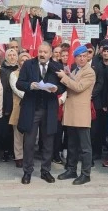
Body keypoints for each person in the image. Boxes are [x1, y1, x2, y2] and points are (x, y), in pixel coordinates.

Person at [16, 42, 65, 184]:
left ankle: (46, 171)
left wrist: (57, 89)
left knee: (48, 142)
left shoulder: (57, 67)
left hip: (49, 108)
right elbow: (20, 83)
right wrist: (29, 86)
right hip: (32, 108)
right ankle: (27, 172)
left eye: (45, 52)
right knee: (29, 142)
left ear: (50, 54)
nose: (42, 54)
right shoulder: (28, 64)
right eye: (40, 51)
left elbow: (63, 86)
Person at [56, 46, 96, 185]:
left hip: (81, 113)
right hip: (71, 112)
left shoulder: (89, 72)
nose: (82, 58)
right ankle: (71, 169)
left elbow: (78, 87)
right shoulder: (75, 70)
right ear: (76, 58)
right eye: (79, 56)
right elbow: (74, 82)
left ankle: (86, 173)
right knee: (72, 144)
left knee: (85, 147)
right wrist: (68, 75)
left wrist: (64, 77)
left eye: (84, 56)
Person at [10, 52, 31, 168]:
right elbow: (16, 89)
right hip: (19, 105)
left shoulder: (34, 72)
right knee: (18, 133)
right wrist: (31, 95)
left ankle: (28, 155)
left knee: (31, 133)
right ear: (18, 62)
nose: (24, 62)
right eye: (22, 60)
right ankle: (19, 156)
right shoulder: (14, 74)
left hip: (32, 106)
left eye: (27, 59)